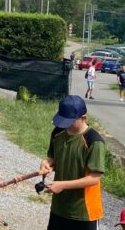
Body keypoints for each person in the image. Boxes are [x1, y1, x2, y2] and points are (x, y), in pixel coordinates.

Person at [39, 95, 106, 230]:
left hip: (84, 212)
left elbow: (94, 178)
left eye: (69, 121)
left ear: (83, 118)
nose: (66, 125)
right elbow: (54, 158)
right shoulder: (58, 132)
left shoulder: (94, 141)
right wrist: (47, 164)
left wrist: (63, 185)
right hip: (59, 209)